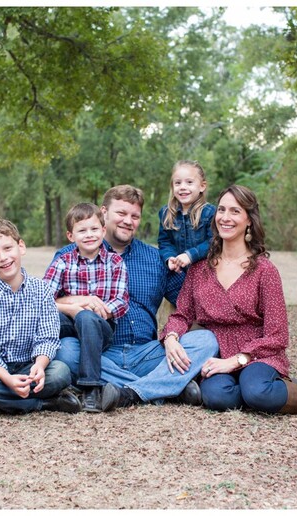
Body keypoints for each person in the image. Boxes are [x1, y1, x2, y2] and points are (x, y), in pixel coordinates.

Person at [160, 185, 297, 415]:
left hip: (257, 354)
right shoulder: (199, 269)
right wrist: (171, 338)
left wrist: (236, 360)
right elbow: (182, 314)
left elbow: (278, 334)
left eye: (235, 211)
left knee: (257, 393)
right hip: (217, 355)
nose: (225, 217)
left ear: (249, 220)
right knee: (216, 397)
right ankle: (277, 389)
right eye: (221, 210)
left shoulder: (264, 271)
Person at [52, 185, 219, 411]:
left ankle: (126, 391)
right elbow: (46, 302)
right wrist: (78, 301)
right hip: (98, 354)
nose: (127, 221)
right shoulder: (69, 256)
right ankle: (167, 387)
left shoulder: (155, 258)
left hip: (147, 353)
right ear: (104, 214)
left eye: (135, 216)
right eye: (121, 214)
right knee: (65, 350)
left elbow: (188, 304)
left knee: (206, 340)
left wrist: (171, 336)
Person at [0, 219, 81, 415]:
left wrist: (39, 365)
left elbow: (47, 337)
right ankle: (45, 404)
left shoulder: (41, 290)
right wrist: (7, 379)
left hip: (29, 367)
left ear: (21, 247)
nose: (3, 257)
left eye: (7, 248)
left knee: (61, 372)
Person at [43, 203, 129, 413]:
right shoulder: (63, 262)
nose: (89, 235)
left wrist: (95, 310)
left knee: (87, 318)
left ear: (103, 230)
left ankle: (91, 387)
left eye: (93, 229)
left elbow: (121, 302)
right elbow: (42, 300)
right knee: (44, 319)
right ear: (71, 236)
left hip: (101, 328)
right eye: (82, 230)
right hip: (69, 323)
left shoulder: (115, 262)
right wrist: (78, 303)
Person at [157, 160, 216, 296]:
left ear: (202, 186)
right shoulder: (166, 213)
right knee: (171, 291)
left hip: (203, 273)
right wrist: (170, 258)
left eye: (189, 182)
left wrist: (190, 255)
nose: (182, 187)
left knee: (203, 299)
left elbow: (214, 242)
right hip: (178, 273)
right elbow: (165, 242)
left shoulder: (209, 212)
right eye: (178, 183)